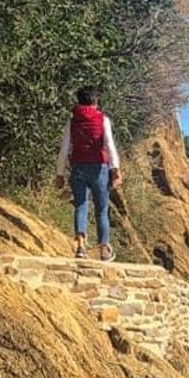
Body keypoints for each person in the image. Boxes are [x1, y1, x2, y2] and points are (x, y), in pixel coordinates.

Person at [58, 86, 121, 260]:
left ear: (78, 101)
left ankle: (80, 247)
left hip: (78, 167)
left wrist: (60, 174)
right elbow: (109, 145)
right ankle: (104, 249)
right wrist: (115, 169)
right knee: (101, 209)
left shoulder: (72, 121)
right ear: (95, 101)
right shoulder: (102, 119)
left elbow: (64, 148)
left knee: (81, 205)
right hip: (99, 168)